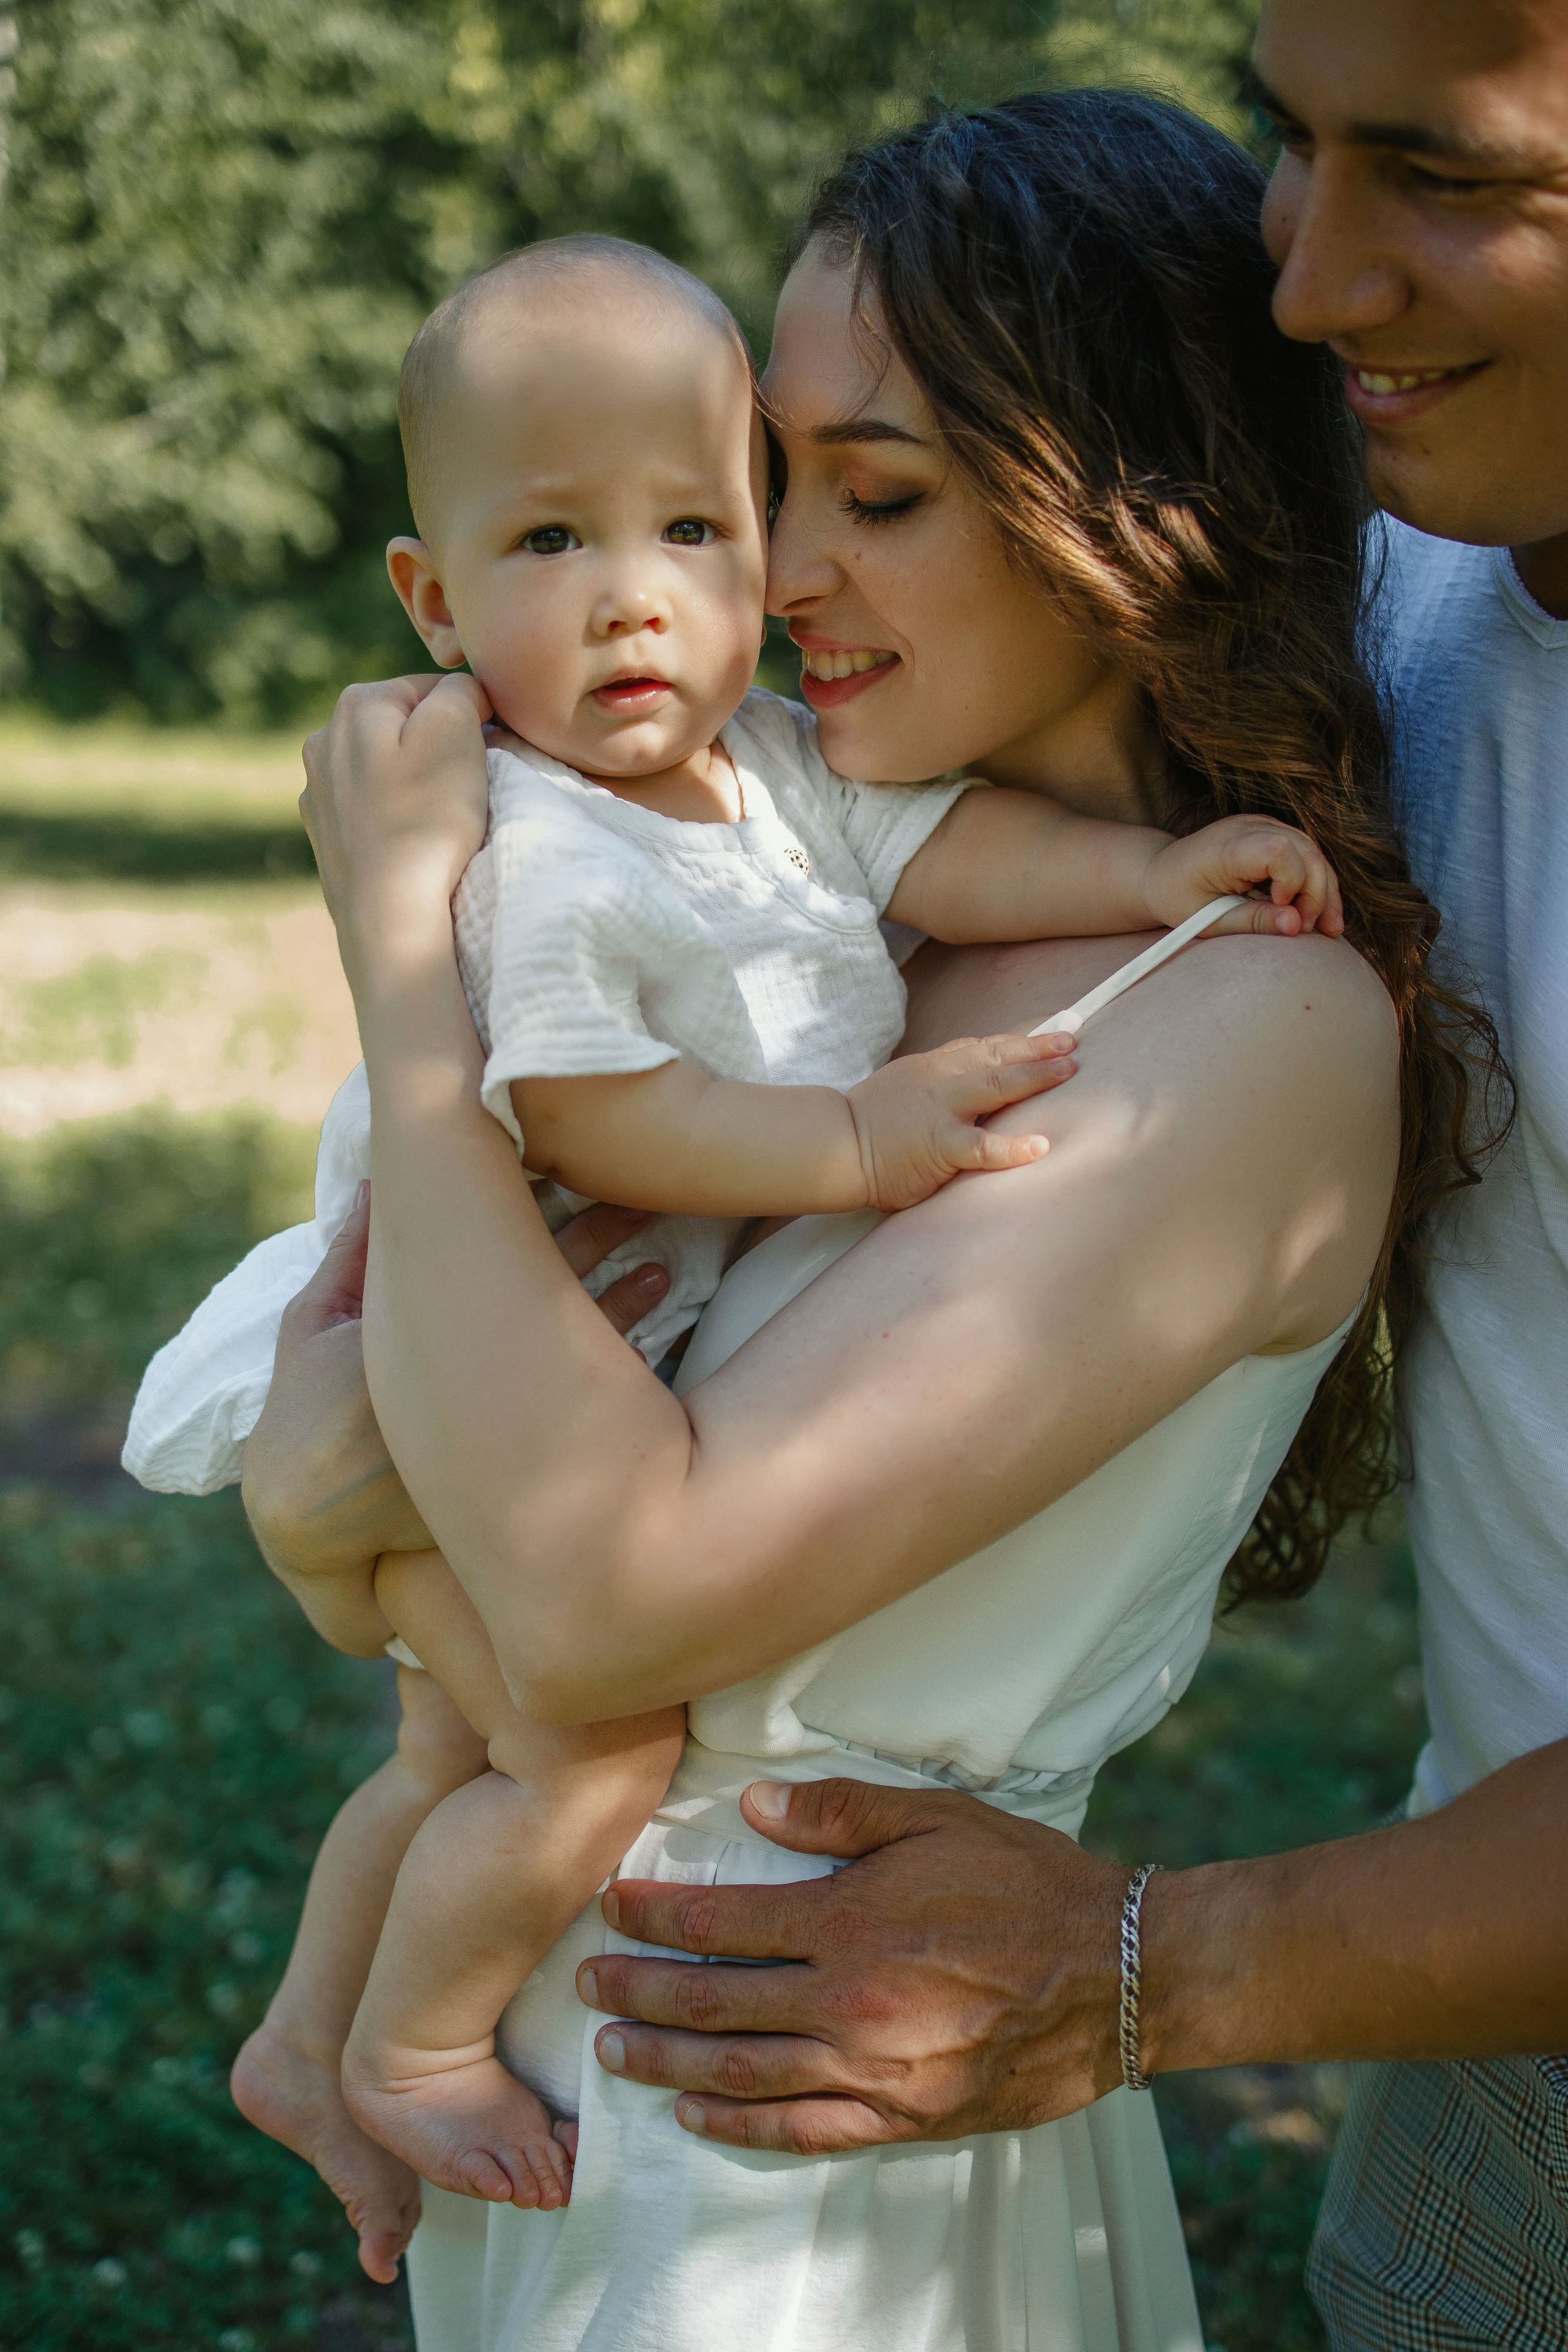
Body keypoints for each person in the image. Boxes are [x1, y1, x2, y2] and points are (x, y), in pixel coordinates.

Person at [246, 92, 1489, 2350]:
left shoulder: (1245, 1029)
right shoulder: (817, 938)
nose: (776, 572)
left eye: (876, 493)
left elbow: (610, 1598)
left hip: (799, 2155)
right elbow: (339, 1484)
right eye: (773, 483)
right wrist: (321, 1481)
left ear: (1143, 511)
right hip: (569, 2065)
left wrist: (412, 976)